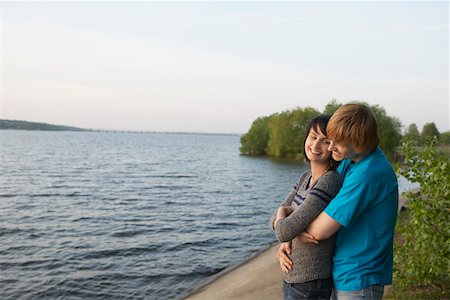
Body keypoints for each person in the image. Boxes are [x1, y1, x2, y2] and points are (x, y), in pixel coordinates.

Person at [277, 104, 398, 300]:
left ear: (358, 141)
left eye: (337, 142)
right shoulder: (353, 161)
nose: (331, 147)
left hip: (359, 276)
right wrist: (286, 238)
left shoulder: (367, 174)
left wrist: (288, 230)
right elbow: (308, 209)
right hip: (341, 270)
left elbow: (318, 231)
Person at [271, 115, 343, 300]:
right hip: (293, 278)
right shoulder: (305, 177)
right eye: (313, 137)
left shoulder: (330, 181)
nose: (316, 145)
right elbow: (274, 222)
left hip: (310, 283)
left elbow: (283, 231)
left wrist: (289, 224)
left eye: (325, 141)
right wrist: (284, 217)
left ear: (334, 147)